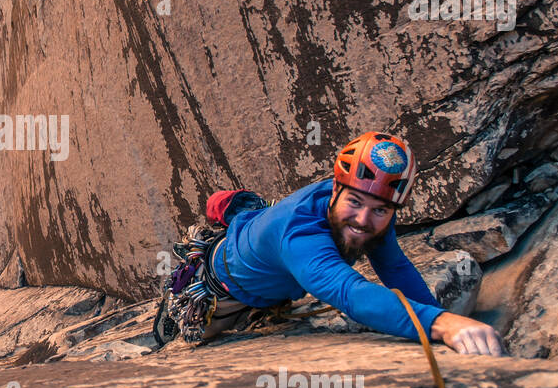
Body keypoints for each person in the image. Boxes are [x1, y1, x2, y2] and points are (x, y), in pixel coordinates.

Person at [202, 131, 506, 356]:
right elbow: (352, 294)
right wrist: (442, 324)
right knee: (197, 335)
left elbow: (395, 267)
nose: (363, 220)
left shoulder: (369, 211)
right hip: (224, 286)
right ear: (334, 189)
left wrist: (439, 320)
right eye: (355, 202)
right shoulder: (299, 235)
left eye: (379, 210)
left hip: (274, 272)